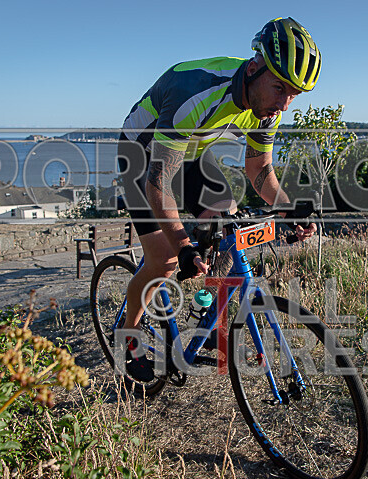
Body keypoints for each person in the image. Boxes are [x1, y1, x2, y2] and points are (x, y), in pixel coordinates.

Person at [116, 17, 321, 381]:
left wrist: (288, 209)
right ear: (254, 69)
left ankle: (206, 316)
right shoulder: (196, 91)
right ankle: (128, 336)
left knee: (229, 225)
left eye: (293, 95)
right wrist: (182, 245)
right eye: (279, 88)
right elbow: (158, 182)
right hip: (141, 155)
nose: (284, 105)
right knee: (164, 260)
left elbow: (260, 170)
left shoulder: (267, 107)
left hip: (192, 152)